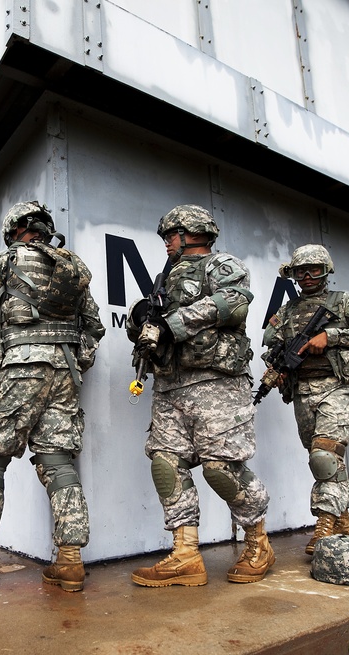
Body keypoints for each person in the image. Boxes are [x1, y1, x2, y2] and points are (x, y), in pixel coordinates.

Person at [0, 201, 105, 593]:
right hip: (65, 374)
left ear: (12, 231)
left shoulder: (2, 263)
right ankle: (70, 563)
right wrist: (76, 361)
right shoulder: (72, 268)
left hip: (19, 371)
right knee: (59, 463)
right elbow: (93, 327)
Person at [128, 204, 273, 587]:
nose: (165, 243)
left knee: (220, 468)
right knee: (165, 464)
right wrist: (142, 322)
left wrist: (171, 324)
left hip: (216, 383)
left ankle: (258, 542)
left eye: (169, 236)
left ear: (191, 233)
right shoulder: (165, 278)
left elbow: (234, 303)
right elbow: (152, 321)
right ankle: (186, 554)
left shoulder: (220, 264)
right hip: (170, 384)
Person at [261, 244, 349, 554]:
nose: (308, 276)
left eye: (314, 270)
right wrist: (278, 367)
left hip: (336, 388)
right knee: (325, 461)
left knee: (324, 457)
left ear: (326, 270)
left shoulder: (344, 303)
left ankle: (324, 527)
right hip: (303, 392)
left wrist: (331, 337)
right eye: (302, 271)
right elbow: (270, 346)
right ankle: (342, 518)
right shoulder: (287, 311)